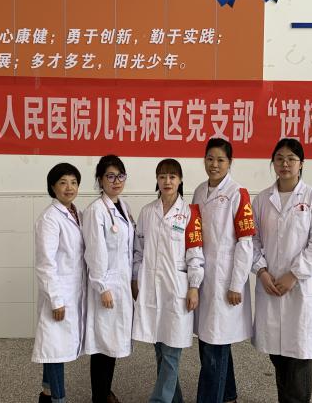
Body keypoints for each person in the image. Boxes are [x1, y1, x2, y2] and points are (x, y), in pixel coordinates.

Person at [251, 138, 312, 403]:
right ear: (273, 162)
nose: (285, 164)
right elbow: (252, 241)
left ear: (301, 164)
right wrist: (262, 271)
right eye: (279, 158)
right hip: (270, 285)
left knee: (299, 358)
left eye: (291, 159)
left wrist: (293, 275)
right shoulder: (262, 200)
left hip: (301, 290)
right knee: (279, 356)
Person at [132, 159, 205, 403]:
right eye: (162, 176)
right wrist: (135, 278)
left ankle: (159, 400)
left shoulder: (190, 213)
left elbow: (195, 253)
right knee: (161, 350)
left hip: (177, 290)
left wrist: (194, 286)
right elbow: (138, 250)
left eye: (172, 176)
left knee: (172, 352)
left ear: (180, 180)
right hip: (151, 289)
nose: (167, 181)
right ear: (157, 179)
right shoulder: (147, 212)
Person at [192, 138, 256, 403]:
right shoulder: (199, 191)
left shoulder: (237, 192)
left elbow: (246, 242)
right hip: (203, 278)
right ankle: (228, 395)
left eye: (220, 160)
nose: (214, 164)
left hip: (226, 280)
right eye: (210, 158)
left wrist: (236, 284)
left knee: (214, 347)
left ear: (230, 162)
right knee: (211, 342)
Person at [82, 155, 135, 403]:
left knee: (112, 342)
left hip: (121, 284)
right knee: (103, 345)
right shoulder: (96, 211)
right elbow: (95, 253)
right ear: (100, 180)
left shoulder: (123, 206)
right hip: (106, 286)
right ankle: (99, 395)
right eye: (110, 176)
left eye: (120, 176)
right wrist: (102, 287)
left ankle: (105, 391)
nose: (116, 181)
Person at [32, 163, 86, 403]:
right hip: (59, 294)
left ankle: (46, 394)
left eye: (73, 182)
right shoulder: (50, 218)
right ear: (52, 187)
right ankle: (58, 399)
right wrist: (55, 299)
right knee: (55, 351)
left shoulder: (77, 214)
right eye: (63, 182)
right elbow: (46, 263)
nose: (69, 187)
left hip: (73, 292)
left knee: (56, 348)